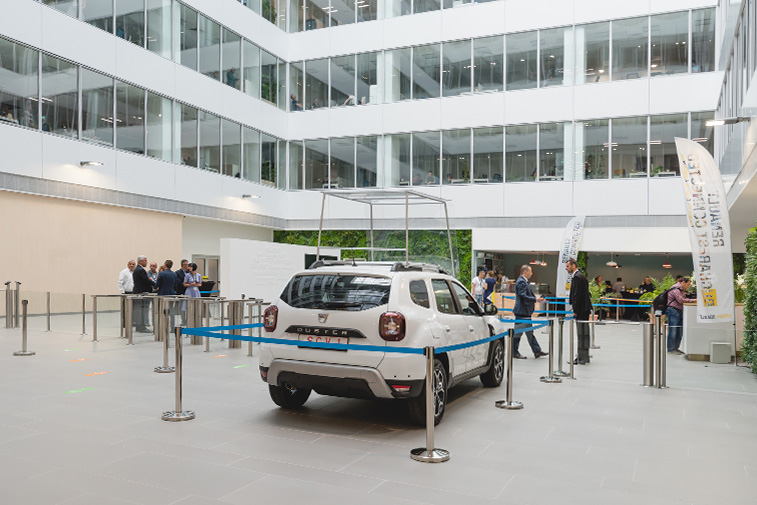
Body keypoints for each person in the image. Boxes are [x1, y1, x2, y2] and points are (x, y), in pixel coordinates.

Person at [512, 265, 548, 359]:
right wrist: (536, 299)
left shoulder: (523, 281)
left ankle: (537, 351)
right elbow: (523, 296)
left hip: (525, 312)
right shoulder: (521, 282)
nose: (531, 273)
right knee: (517, 333)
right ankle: (514, 351)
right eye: (530, 271)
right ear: (525, 272)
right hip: (522, 312)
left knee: (529, 333)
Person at [567, 258, 592, 364]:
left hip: (581, 310)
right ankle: (584, 356)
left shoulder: (577, 277)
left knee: (581, 333)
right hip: (585, 309)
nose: (566, 268)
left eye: (568, 266)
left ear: (573, 265)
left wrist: (575, 310)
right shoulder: (581, 276)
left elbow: (577, 295)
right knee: (584, 333)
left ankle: (581, 357)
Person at [666, 277, 696, 354]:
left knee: (678, 330)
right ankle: (671, 348)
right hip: (673, 311)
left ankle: (675, 348)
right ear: (683, 282)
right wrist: (694, 300)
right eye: (687, 284)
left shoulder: (680, 290)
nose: (688, 286)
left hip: (677, 311)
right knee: (673, 330)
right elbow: (681, 300)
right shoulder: (676, 289)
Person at [132, 255, 156, 332]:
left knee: (139, 311)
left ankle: (139, 326)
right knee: (142, 310)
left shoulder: (137, 269)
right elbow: (146, 281)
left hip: (138, 291)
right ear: (141, 261)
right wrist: (156, 284)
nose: (146, 262)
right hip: (141, 292)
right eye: (145, 260)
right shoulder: (140, 270)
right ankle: (141, 327)